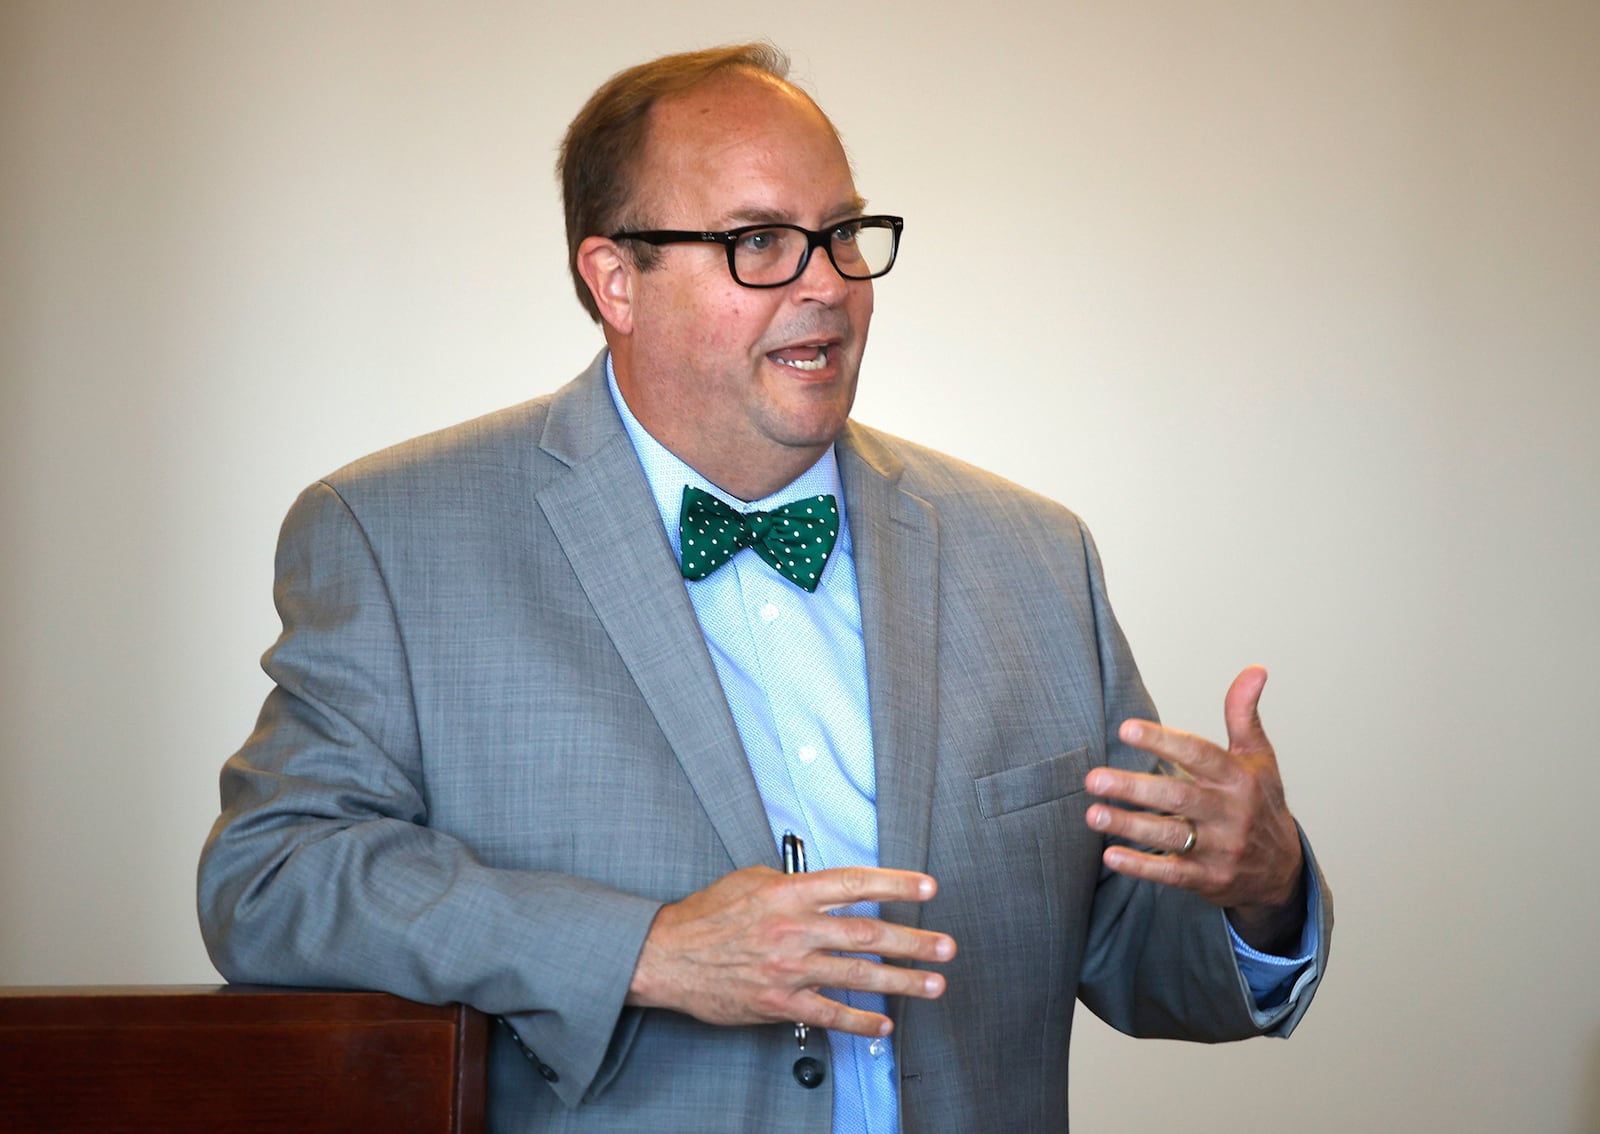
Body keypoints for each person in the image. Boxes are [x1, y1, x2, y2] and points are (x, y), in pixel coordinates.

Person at [198, 43, 1331, 1133]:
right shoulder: (396, 535)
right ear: (615, 281)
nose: (827, 285)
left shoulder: (1034, 556)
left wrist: (1261, 890)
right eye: (758, 243)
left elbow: (1137, 962)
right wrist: (646, 951)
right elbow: (274, 881)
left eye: (842, 235)